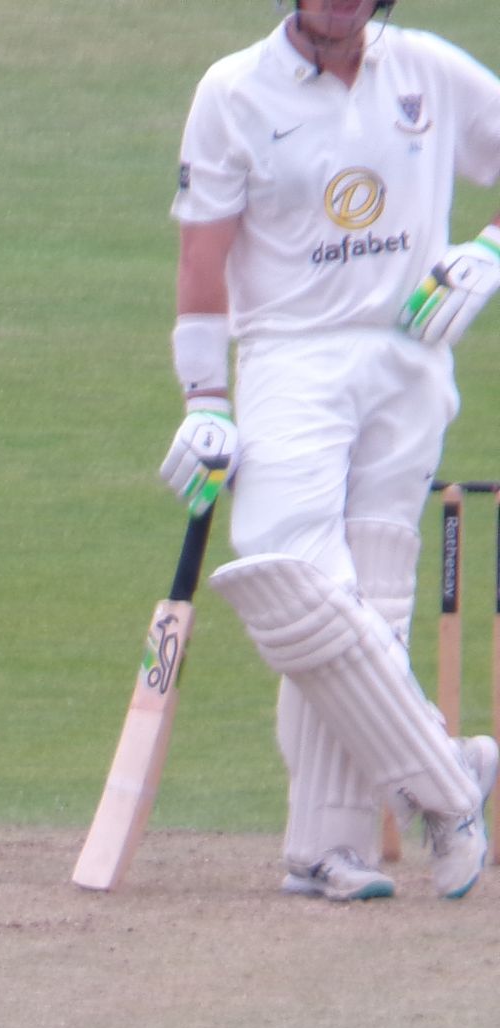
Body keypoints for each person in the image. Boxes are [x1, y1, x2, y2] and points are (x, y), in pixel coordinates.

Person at [162, 0, 500, 901]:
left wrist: (491, 250)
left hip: (411, 357)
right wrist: (206, 395)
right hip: (290, 358)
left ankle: (326, 847)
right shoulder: (235, 89)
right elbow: (203, 250)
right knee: (290, 574)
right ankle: (447, 780)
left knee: (372, 601)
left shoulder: (428, 70)